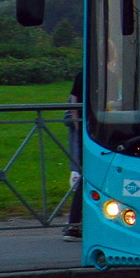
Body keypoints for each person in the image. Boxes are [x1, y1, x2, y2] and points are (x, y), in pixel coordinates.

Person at [62, 74, 83, 241]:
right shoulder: (85, 74)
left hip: (88, 135)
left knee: (86, 180)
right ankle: (74, 225)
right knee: (87, 180)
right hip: (95, 136)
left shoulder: (82, 73)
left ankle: (74, 224)